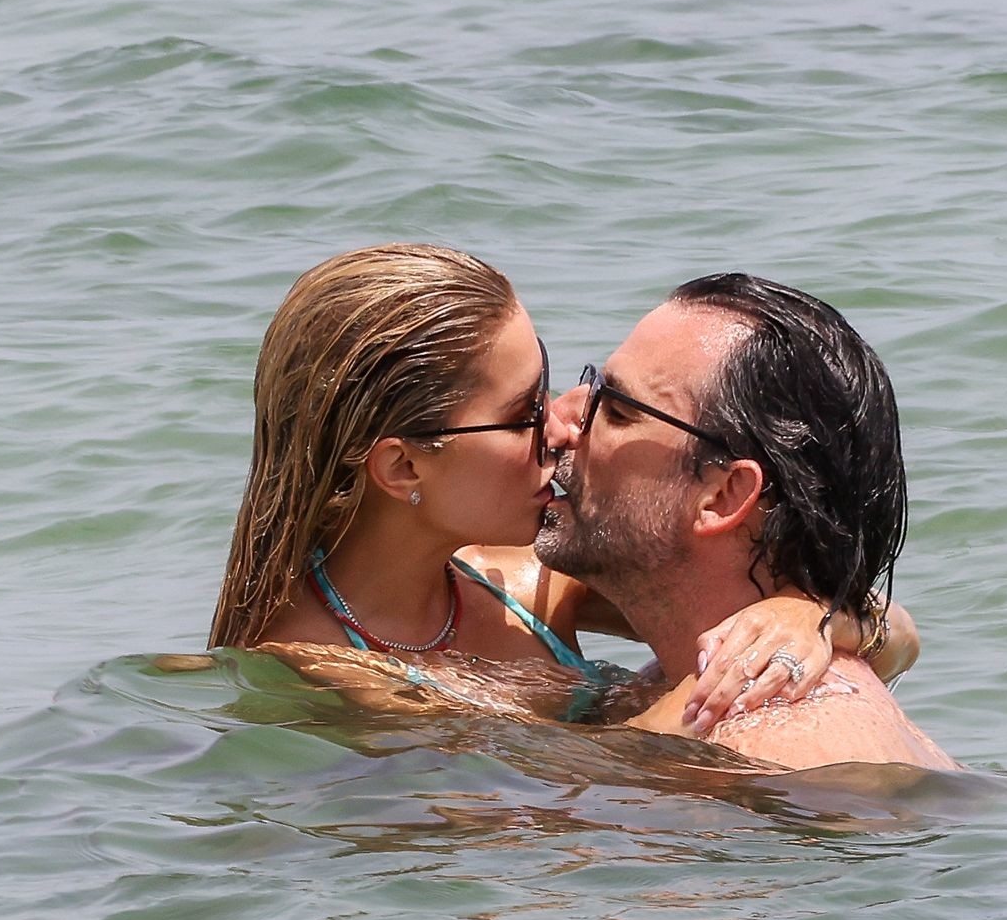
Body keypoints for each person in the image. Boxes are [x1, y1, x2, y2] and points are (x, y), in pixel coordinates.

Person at [205, 244, 917, 718]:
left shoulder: (526, 585)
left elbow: (902, 635)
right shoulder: (318, 670)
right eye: (523, 412)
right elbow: (564, 801)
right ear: (404, 467)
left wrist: (808, 618)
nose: (562, 424)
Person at [536, 272, 959, 771]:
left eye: (617, 410)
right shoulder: (688, 686)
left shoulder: (792, 741)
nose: (557, 420)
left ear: (723, 494)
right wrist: (841, 616)